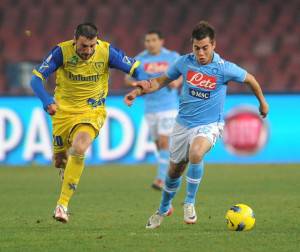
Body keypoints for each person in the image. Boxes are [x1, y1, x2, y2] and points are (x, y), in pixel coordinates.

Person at [124, 21, 269, 229]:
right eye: (196, 48)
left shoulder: (224, 68)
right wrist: (138, 91)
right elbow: (160, 81)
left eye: (205, 48)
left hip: (209, 124)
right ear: (192, 46)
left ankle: (189, 202)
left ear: (214, 45)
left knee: (196, 153)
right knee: (174, 171)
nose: (200, 53)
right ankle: (163, 207)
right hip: (183, 124)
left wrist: (262, 102)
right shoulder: (184, 63)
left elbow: (251, 79)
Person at [30, 22, 144, 223]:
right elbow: (36, 79)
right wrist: (47, 101)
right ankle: (66, 170)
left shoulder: (107, 52)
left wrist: (140, 82)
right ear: (75, 40)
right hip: (63, 113)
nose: (88, 51)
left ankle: (62, 205)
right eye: (84, 46)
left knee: (80, 147)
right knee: (59, 160)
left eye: (92, 46)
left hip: (92, 111)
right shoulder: (61, 52)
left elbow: (136, 69)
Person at [124, 30, 181, 190]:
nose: (150, 43)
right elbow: (127, 78)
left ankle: (161, 179)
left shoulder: (172, 56)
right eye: (147, 40)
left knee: (164, 142)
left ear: (161, 41)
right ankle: (171, 173)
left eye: (154, 40)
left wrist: (176, 82)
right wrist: (137, 84)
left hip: (168, 106)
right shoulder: (140, 59)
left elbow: (182, 73)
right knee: (159, 145)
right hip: (150, 107)